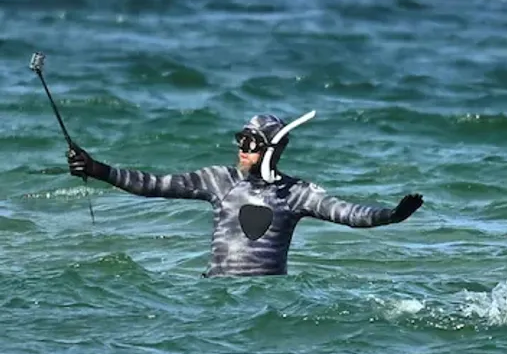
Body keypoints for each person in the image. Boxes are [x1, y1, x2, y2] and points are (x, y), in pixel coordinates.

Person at [66, 112, 424, 277]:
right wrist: (97, 169)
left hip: (265, 299)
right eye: (240, 141)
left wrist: (392, 216)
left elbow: (348, 213)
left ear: (271, 150)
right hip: (216, 293)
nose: (241, 150)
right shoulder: (218, 180)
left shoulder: (295, 193)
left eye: (251, 144)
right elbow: (152, 185)